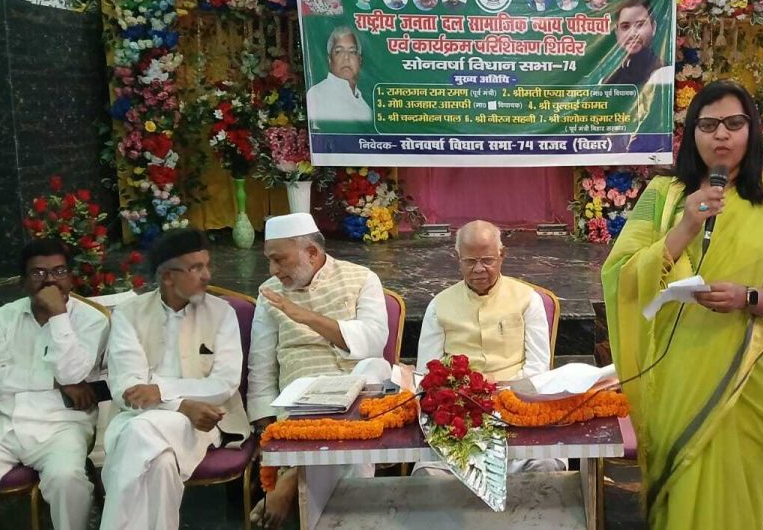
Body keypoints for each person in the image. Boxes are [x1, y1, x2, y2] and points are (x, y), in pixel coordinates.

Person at [602, 80, 763, 529]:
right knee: (680, 482)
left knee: (739, 488)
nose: (721, 134)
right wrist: (686, 226)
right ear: (692, 133)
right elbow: (621, 277)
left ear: (751, 130)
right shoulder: (664, 195)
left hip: (751, 371)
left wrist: (747, 297)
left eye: (734, 123)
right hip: (677, 369)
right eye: (709, 124)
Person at [100, 229, 249, 530]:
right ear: (168, 277)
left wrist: (161, 390)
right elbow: (128, 389)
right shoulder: (129, 314)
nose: (207, 275)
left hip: (204, 421)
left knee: (140, 433)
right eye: (196, 268)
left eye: (207, 265)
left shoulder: (222, 313)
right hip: (136, 416)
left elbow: (224, 384)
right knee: (161, 464)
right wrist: (180, 405)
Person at [247, 213, 389, 528]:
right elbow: (261, 364)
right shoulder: (269, 292)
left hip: (357, 389)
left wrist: (307, 317)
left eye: (280, 260)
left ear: (312, 252)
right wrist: (263, 429)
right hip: (300, 398)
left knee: (367, 388)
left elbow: (374, 340)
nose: (273, 270)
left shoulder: (362, 278)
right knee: (347, 445)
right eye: (269, 261)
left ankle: (294, 477)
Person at [0, 239, 109, 530]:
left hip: (63, 425)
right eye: (38, 273)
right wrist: (54, 382)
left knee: (67, 480)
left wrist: (59, 316)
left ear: (70, 277)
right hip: (4, 425)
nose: (50, 280)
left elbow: (72, 373)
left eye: (59, 271)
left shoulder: (92, 320)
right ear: (22, 282)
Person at [413, 220, 562, 476]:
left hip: (518, 406)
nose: (479, 269)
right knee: (429, 474)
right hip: (459, 416)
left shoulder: (528, 299)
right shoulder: (439, 306)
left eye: (487, 260)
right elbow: (426, 374)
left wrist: (500, 391)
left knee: (546, 467)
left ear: (502, 255)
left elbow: (538, 368)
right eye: (470, 261)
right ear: (457, 259)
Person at [305, 26, 372, 124]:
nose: (346, 57)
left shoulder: (365, 106)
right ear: (329, 60)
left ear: (360, 60)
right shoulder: (317, 95)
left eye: (352, 52)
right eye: (339, 51)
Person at [603, 0, 673, 87]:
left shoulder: (665, 73)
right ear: (617, 32)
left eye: (640, 25)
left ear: (653, 27)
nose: (633, 33)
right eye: (625, 26)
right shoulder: (609, 80)